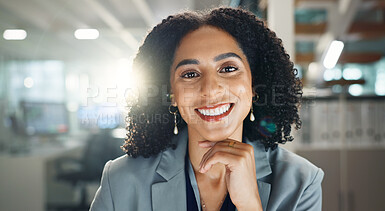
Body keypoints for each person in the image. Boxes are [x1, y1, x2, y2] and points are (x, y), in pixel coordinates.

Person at [90, 7, 324, 211]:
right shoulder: (121, 180)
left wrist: (250, 205)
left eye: (228, 68)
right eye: (190, 74)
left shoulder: (301, 183)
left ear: (254, 85)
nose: (210, 90)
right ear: (171, 94)